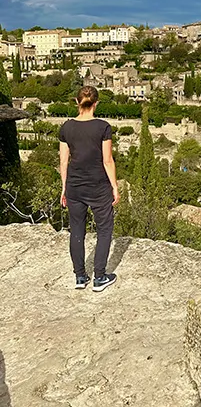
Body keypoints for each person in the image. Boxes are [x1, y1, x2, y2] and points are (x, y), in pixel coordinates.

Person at [59, 86, 120, 292]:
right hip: (98, 187)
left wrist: (63, 188)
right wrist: (115, 187)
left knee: (76, 230)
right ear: (97, 103)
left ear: (77, 103)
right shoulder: (103, 127)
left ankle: (80, 277)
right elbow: (107, 160)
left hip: (74, 187)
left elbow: (63, 161)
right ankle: (100, 277)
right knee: (104, 230)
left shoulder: (66, 127)